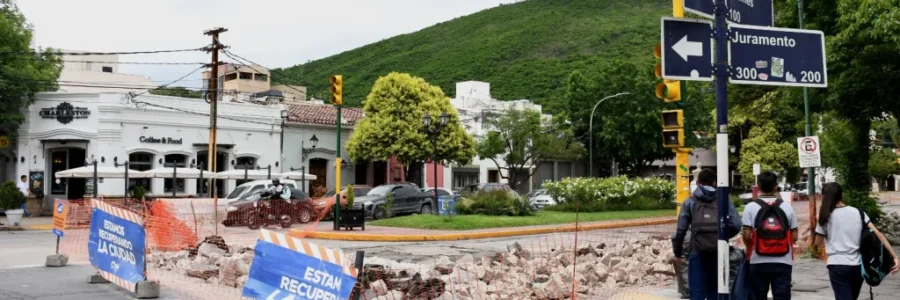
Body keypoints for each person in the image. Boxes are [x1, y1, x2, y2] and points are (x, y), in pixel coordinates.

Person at [814, 182, 900, 300]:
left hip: (837, 265)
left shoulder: (825, 217)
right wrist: (894, 257)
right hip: (857, 266)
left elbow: (817, 243)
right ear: (842, 195)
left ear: (824, 197)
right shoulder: (858, 213)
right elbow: (878, 234)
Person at [672, 169, 742, 300]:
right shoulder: (723, 201)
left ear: (697, 183)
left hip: (697, 252)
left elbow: (680, 231)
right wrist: (722, 237)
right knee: (716, 291)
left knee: (697, 293)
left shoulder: (690, 202)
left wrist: (677, 253)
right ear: (714, 183)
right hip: (719, 252)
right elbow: (737, 224)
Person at [741, 171, 798, 300]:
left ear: (758, 187)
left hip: (758, 260)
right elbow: (794, 236)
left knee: (757, 296)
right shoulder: (787, 207)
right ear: (776, 187)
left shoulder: (750, 207)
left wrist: (750, 247)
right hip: (783, 260)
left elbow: (746, 234)